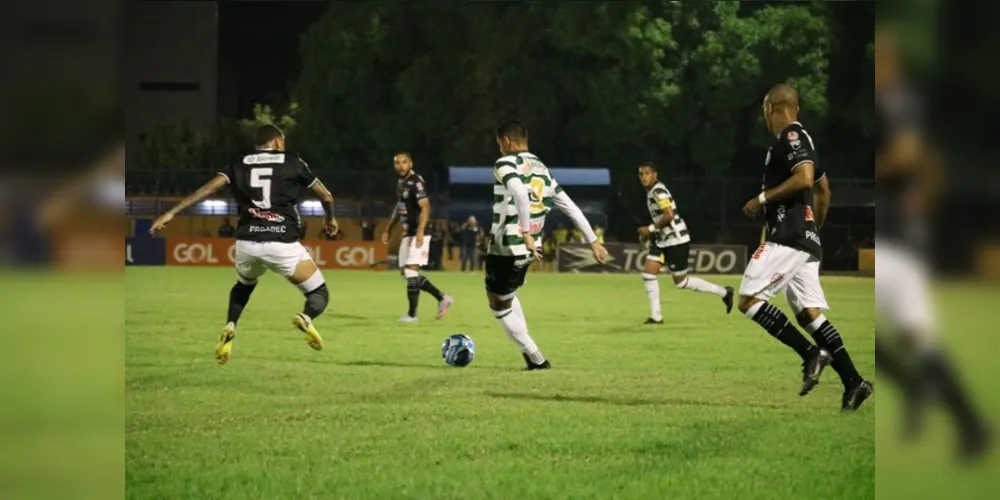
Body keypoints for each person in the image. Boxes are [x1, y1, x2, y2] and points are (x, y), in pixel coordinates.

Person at [873, 29, 990, 458]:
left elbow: (907, 155)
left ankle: (957, 415)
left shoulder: (897, 101)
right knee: (912, 340)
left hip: (897, 242)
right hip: (897, 237)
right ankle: (967, 421)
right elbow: (927, 163)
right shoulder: (894, 103)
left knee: (912, 340)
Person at [149, 124, 337, 364]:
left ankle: (230, 324)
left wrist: (171, 213)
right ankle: (306, 317)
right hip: (281, 242)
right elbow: (327, 196)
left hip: (247, 243)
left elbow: (210, 188)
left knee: (244, 285)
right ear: (278, 142)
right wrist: (330, 218)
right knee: (318, 292)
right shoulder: (292, 161)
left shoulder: (239, 163)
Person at [738, 84, 872, 410]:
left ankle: (811, 353)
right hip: (805, 239)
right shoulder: (805, 139)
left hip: (788, 235)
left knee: (748, 300)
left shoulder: (791, 137)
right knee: (811, 316)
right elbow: (824, 190)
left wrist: (762, 198)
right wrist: (815, 233)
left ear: (771, 108)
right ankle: (854, 382)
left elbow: (805, 178)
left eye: (764, 112)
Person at [486, 119, 607, 370]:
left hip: (509, 242)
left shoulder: (505, 163)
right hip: (531, 247)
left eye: (500, 143)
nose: (499, 148)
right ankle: (531, 356)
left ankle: (536, 357)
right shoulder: (541, 168)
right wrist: (593, 240)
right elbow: (569, 206)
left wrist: (526, 231)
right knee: (508, 296)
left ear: (507, 142)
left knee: (498, 304)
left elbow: (519, 193)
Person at [636, 163, 734, 323]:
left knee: (681, 282)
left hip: (676, 240)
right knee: (648, 273)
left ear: (655, 175)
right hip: (662, 240)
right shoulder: (651, 191)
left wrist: (650, 228)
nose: (644, 177)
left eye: (647, 173)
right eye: (641, 174)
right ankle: (656, 316)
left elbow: (669, 216)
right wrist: (651, 232)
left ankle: (724, 292)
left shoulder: (658, 191)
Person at [381, 152, 453, 322]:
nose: (400, 165)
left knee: (411, 270)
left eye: (404, 162)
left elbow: (425, 207)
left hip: (419, 232)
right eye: (397, 163)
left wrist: (420, 231)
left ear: (410, 163)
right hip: (408, 232)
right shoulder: (401, 183)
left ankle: (412, 315)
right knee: (406, 272)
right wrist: (388, 228)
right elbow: (399, 208)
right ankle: (442, 298)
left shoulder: (415, 182)